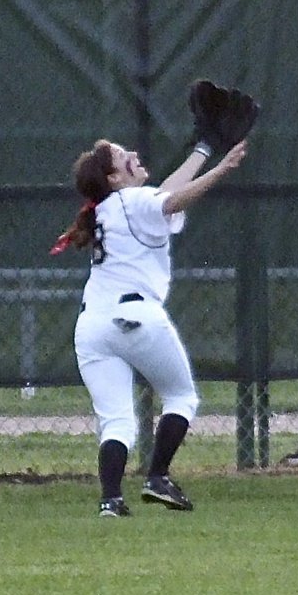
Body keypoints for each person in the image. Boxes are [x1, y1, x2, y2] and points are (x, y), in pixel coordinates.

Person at [51, 134, 248, 517]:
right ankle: (157, 477)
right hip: (136, 317)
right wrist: (221, 169)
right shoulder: (133, 201)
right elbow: (172, 199)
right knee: (181, 397)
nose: (134, 155)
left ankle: (111, 500)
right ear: (112, 177)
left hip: (92, 326)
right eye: (124, 156)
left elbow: (162, 195)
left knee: (117, 420)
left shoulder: (109, 208)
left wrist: (203, 150)